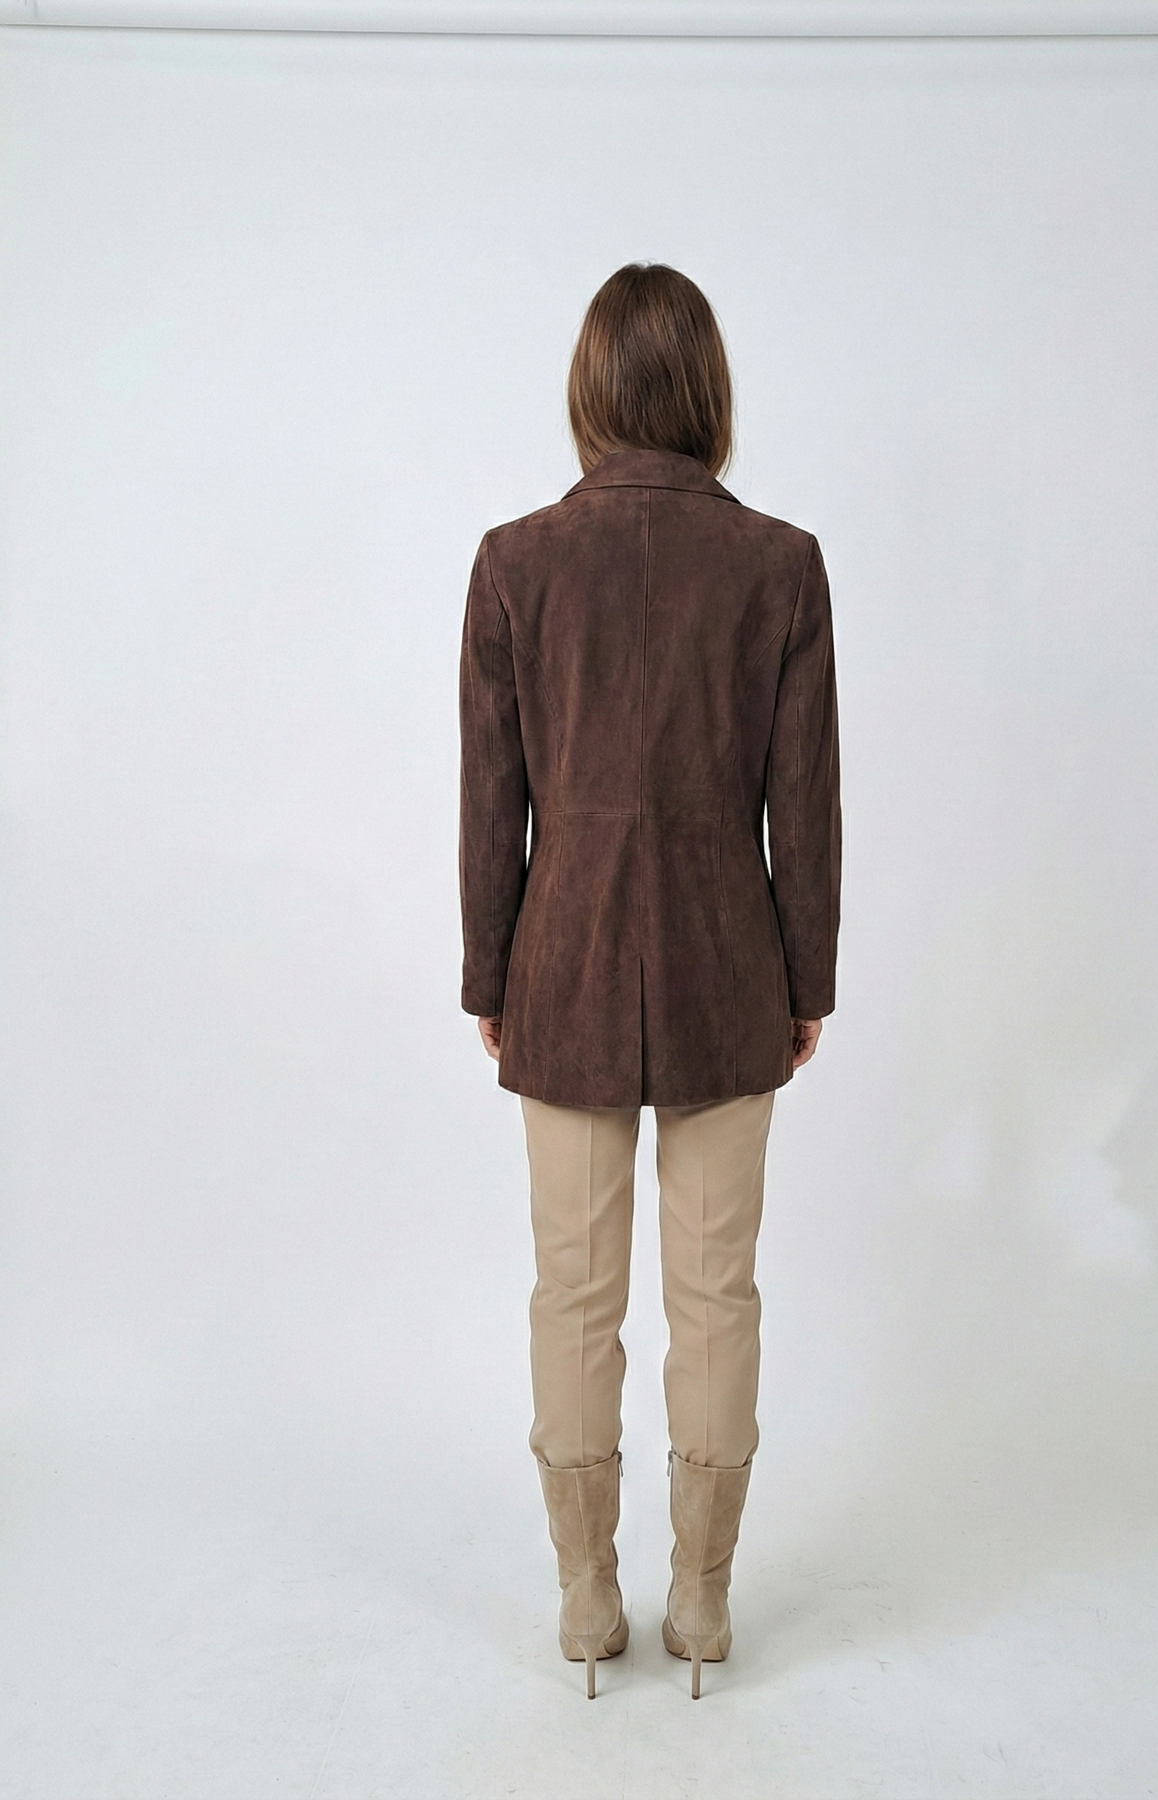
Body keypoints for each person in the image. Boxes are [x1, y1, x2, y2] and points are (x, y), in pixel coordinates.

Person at [457, 263, 841, 1699]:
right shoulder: (780, 565)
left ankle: (583, 1603)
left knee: (571, 1293)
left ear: (591, 389)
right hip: (729, 968)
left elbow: (492, 802)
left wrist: (490, 971)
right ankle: (703, 1602)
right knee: (717, 1293)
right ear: (707, 391)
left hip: (559, 966)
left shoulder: (515, 562)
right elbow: (805, 806)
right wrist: (807, 975)